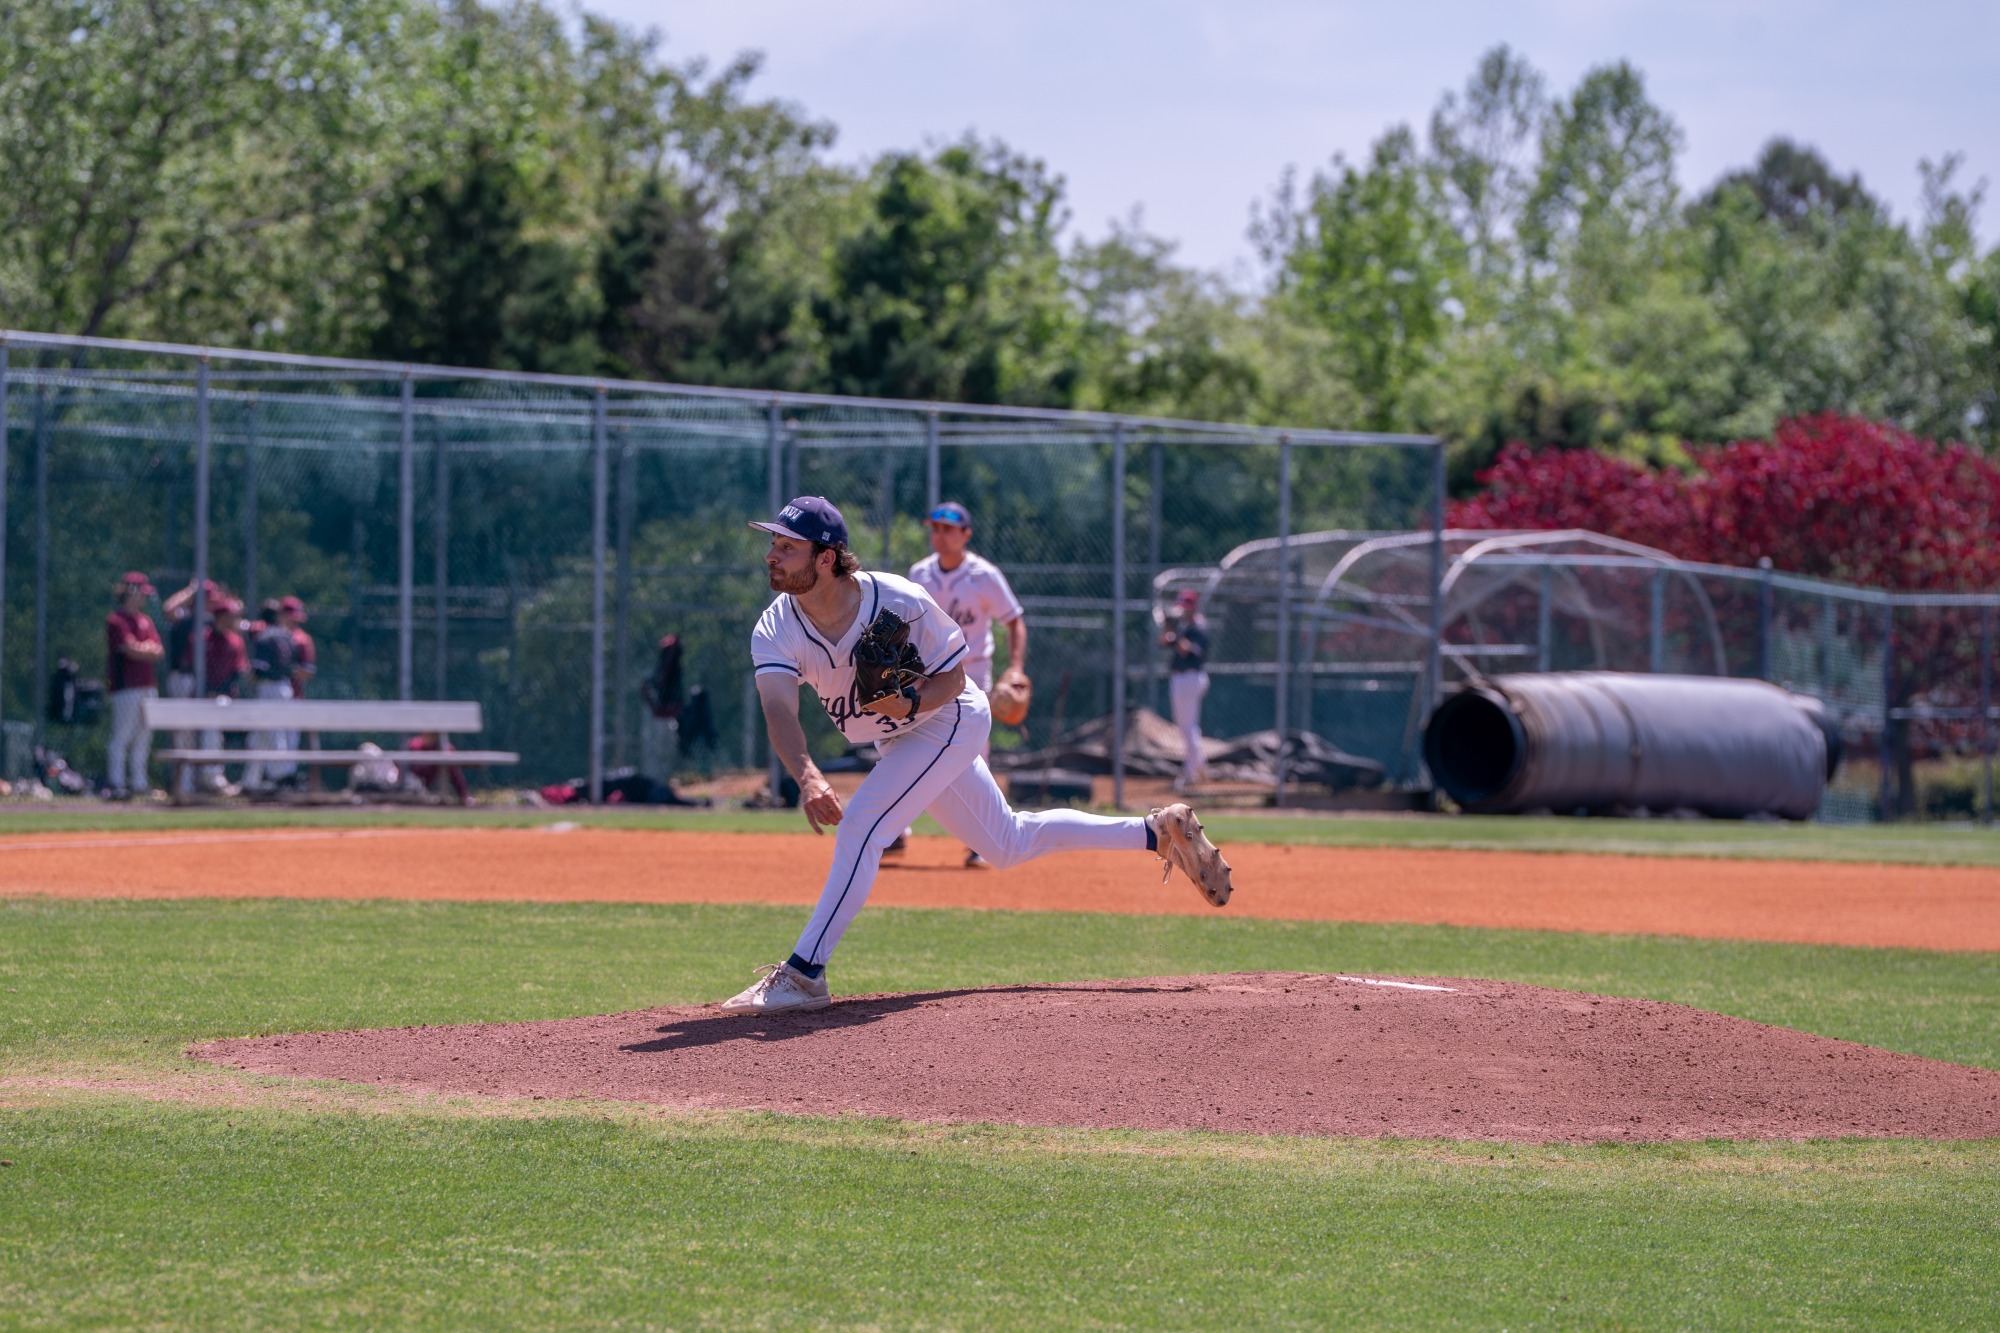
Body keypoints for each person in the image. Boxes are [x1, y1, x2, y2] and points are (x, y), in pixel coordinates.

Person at [720, 496, 1233, 1015]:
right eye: (773, 544)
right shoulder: (776, 626)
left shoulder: (897, 598)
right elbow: (780, 712)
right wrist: (807, 776)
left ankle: (805, 974)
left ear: (826, 558)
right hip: (898, 738)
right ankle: (1154, 833)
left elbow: (956, 675)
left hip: (951, 717)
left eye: (788, 546)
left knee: (862, 827)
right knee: (1006, 843)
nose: (773, 555)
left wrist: (915, 699)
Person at [899, 501, 1028, 866]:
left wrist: (1015, 668)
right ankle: (896, 831)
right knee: (909, 743)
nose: (939, 535)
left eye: (948, 529)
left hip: (972, 671)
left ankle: (983, 837)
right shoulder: (919, 573)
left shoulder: (983, 575)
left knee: (975, 754)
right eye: (935, 528)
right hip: (925, 673)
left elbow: (1014, 620)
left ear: (966, 534)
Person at [103, 572, 164, 799]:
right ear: (132, 592)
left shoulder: (144, 620)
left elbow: (158, 651)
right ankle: (116, 784)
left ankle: (139, 783)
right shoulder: (116, 620)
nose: (144, 599)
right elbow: (130, 649)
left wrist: (143, 648)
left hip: (148, 685)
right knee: (122, 736)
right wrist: (144, 648)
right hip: (126, 687)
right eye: (142, 593)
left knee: (143, 737)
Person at [194, 596, 250, 795]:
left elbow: (238, 673)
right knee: (197, 736)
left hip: (224, 698)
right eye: (230, 616)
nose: (233, 620)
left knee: (213, 731)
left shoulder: (235, 640)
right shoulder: (202, 638)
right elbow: (193, 669)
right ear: (220, 616)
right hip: (199, 696)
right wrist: (206, 690)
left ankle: (214, 776)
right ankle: (201, 778)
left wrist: (216, 691)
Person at [242, 599, 299, 791]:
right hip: (285, 687)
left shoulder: (265, 636)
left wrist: (248, 677)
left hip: (269, 688)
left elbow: (259, 670)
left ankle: (282, 778)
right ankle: (251, 781)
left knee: (274, 736)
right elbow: (293, 667)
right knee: (260, 737)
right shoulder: (288, 636)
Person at [1161, 588, 1212, 791]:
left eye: (1186, 605)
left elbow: (1186, 650)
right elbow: (1163, 641)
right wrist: (1168, 627)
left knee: (1188, 726)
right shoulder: (1183, 627)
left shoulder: (1198, 627)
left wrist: (1174, 634)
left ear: (1194, 606)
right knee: (1185, 726)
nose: (1182, 609)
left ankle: (1192, 771)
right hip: (1180, 678)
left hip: (1191, 677)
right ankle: (1199, 766)